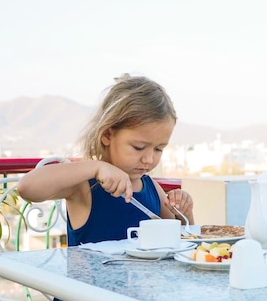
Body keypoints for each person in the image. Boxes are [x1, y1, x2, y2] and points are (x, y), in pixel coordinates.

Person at [19, 73, 194, 246]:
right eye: (138, 147)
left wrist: (184, 213)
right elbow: (27, 188)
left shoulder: (152, 188)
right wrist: (95, 167)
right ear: (107, 135)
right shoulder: (85, 186)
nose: (149, 159)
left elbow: (183, 240)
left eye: (158, 149)